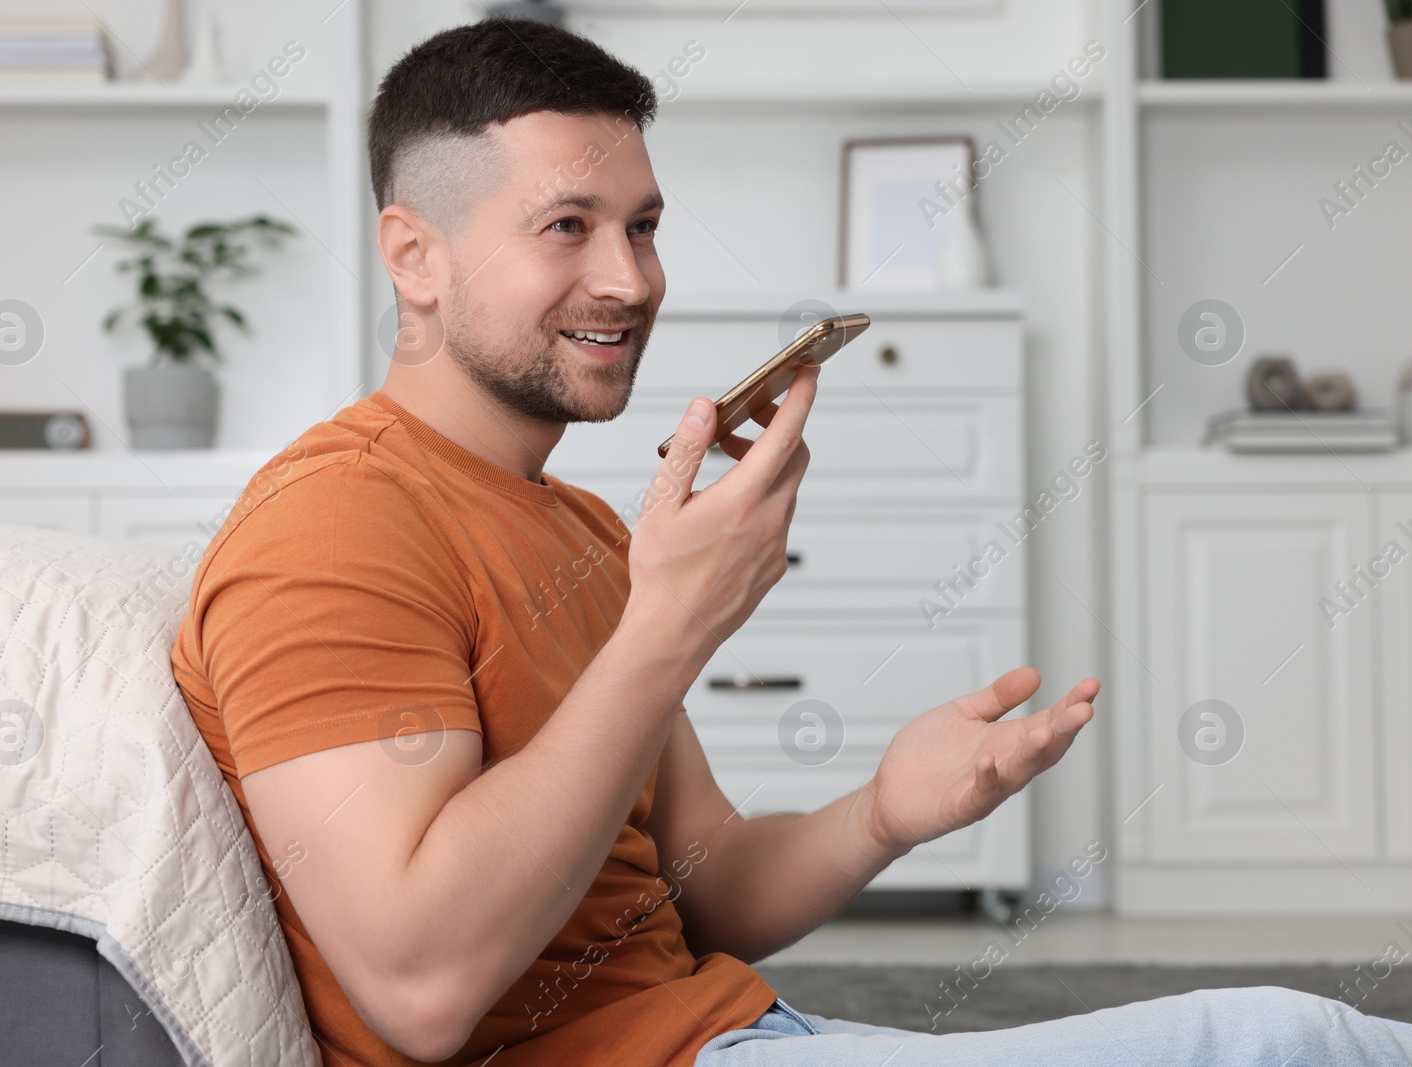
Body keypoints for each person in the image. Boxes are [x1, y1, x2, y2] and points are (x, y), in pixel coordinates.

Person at [169, 16, 1412, 1067]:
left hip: (746, 1034)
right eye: (567, 227)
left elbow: (706, 891)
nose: (631, 277)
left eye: (643, 225)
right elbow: (418, 982)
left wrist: (884, 811)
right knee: (1289, 1040)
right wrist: (668, 627)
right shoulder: (332, 527)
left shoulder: (585, 524)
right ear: (414, 255)